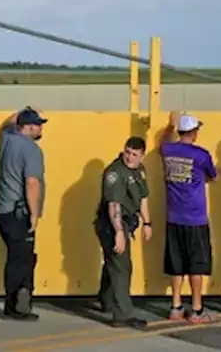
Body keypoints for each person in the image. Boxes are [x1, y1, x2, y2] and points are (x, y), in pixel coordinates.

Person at [160, 111, 219, 323]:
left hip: (173, 216)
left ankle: (175, 307)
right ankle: (196, 309)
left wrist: (169, 125)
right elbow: (213, 175)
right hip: (195, 218)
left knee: (176, 264)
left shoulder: (167, 150)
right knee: (196, 265)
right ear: (194, 132)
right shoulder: (201, 155)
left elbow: (162, 141)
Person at [0, 106, 47, 321]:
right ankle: (16, 307)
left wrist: (26, 110)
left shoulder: (7, 138)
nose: (40, 129)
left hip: (4, 211)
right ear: (27, 127)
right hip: (20, 213)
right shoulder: (32, 150)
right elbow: (32, 183)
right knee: (21, 260)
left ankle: (15, 303)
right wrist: (34, 215)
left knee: (15, 258)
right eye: (36, 125)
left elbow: (9, 122)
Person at [95, 136, 152, 329]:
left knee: (114, 262)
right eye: (127, 152)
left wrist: (147, 223)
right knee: (122, 266)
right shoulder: (115, 172)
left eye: (134, 155)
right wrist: (119, 231)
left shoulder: (139, 170)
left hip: (127, 222)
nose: (129, 157)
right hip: (111, 223)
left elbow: (143, 197)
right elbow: (114, 205)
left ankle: (107, 299)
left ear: (142, 155)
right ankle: (122, 314)